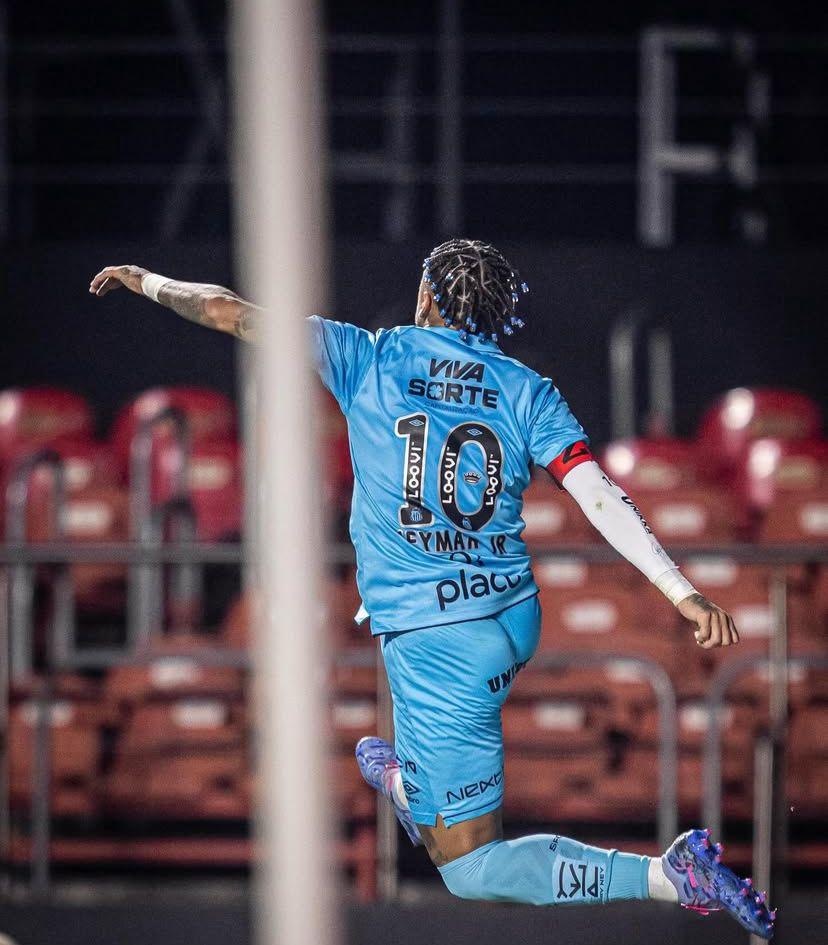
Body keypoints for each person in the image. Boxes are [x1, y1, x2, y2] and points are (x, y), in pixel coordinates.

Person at [89, 239, 774, 938]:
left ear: (427, 298)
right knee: (443, 790)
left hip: (436, 640)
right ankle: (411, 782)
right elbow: (598, 495)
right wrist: (680, 591)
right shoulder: (527, 389)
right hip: (513, 617)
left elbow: (223, 309)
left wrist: (146, 281)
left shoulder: (368, 356)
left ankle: (666, 873)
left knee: (469, 868)